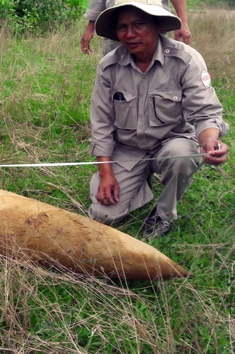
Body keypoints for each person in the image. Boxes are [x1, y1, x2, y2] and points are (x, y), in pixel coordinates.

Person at [87, 0, 229, 238]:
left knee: (181, 155)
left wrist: (209, 141)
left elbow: (205, 114)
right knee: (104, 215)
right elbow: (101, 123)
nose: (129, 34)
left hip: (170, 143)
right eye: (122, 27)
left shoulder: (185, 60)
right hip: (128, 149)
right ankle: (140, 182)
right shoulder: (109, 66)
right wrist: (106, 173)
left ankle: (164, 213)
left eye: (139, 24)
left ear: (157, 25)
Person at [80, 0, 191, 55]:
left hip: (151, 18)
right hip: (118, 21)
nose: (131, 34)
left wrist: (183, 22)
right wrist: (90, 27)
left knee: (157, 67)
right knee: (115, 68)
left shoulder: (188, 63)